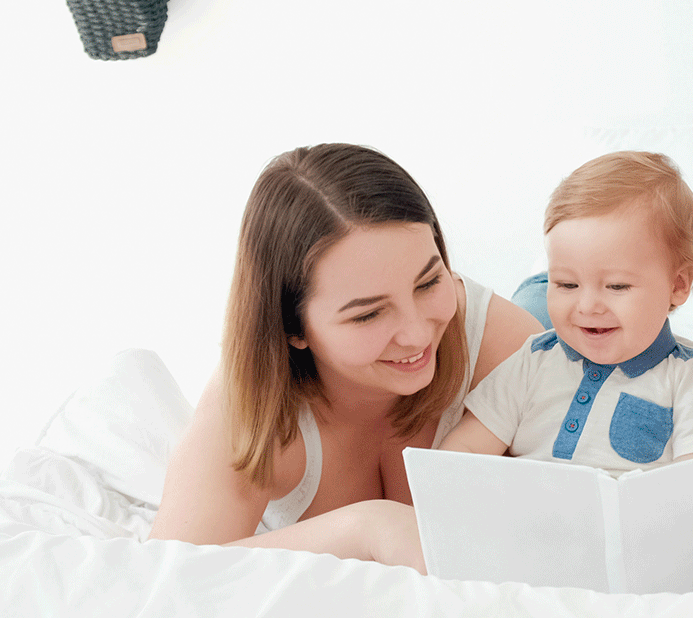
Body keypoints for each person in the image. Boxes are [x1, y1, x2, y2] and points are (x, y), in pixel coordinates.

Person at [148, 143, 542, 568]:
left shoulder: (510, 348)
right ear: (292, 328)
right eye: (369, 313)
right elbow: (169, 573)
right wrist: (366, 528)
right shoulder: (251, 404)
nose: (415, 334)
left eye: (428, 282)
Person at [441, 151, 693, 474]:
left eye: (616, 287)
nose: (587, 307)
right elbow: (466, 447)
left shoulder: (690, 373)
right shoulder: (534, 358)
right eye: (567, 285)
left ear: (678, 285)